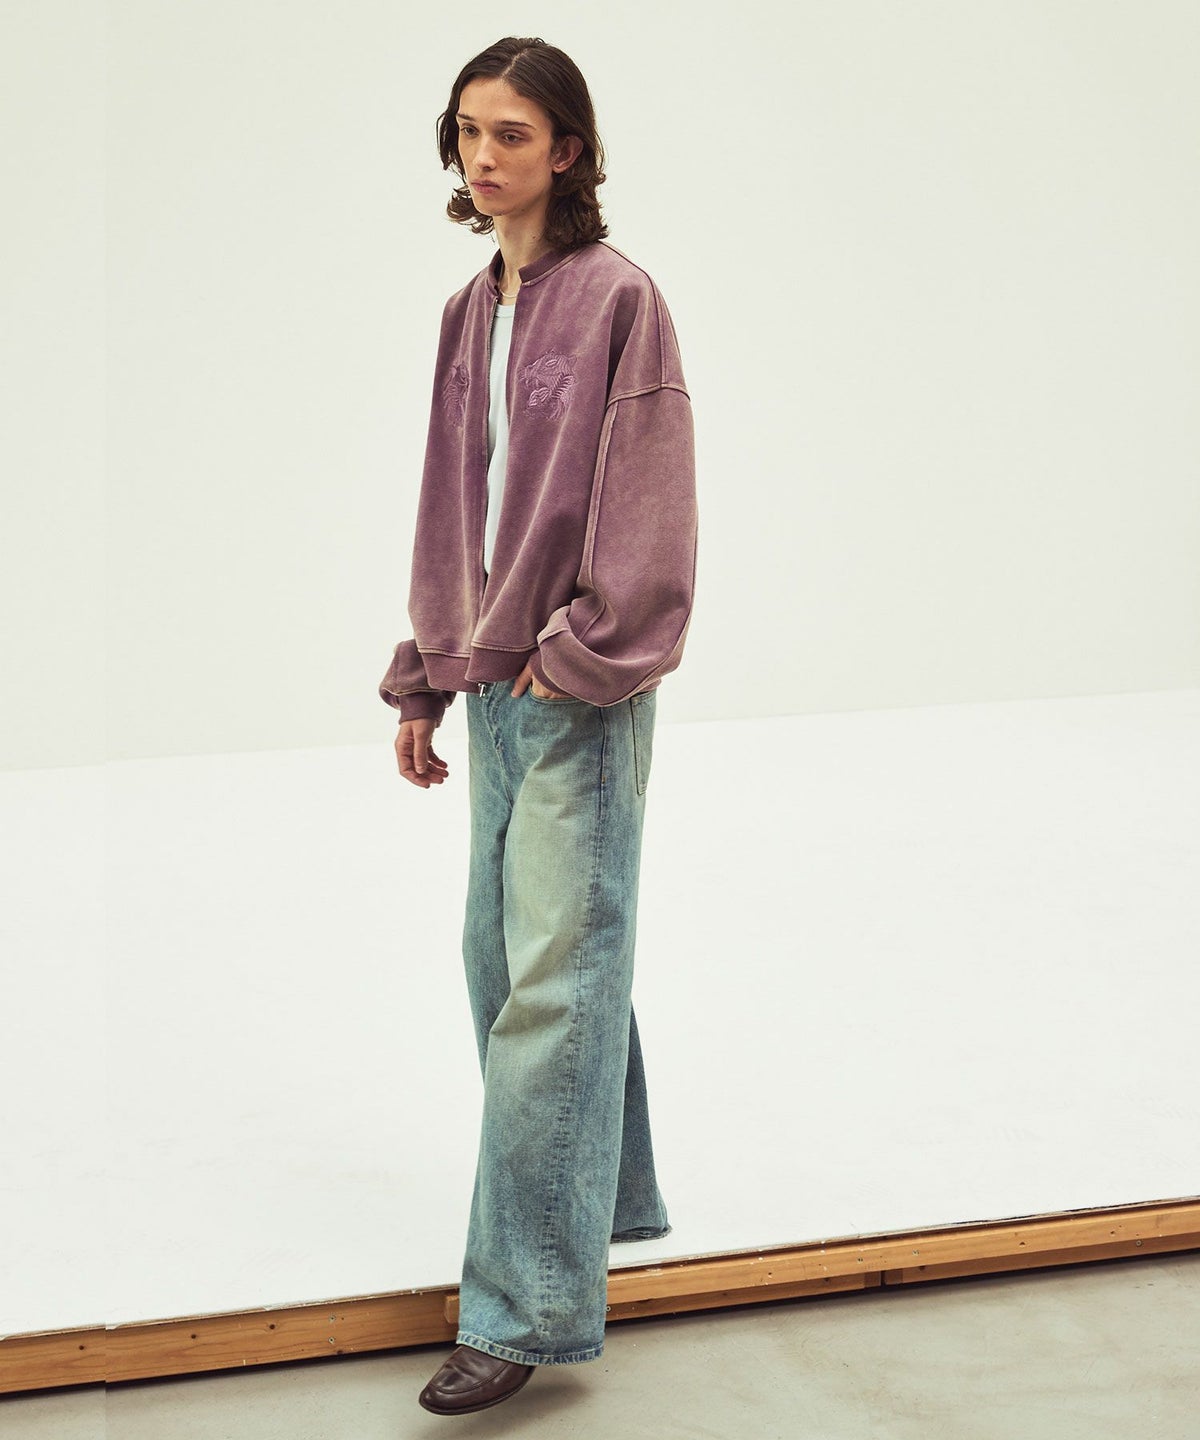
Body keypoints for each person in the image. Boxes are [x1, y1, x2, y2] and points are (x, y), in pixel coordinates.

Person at [379, 35, 698, 1417]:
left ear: (568, 150)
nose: (485, 154)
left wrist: (587, 654)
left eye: (513, 132)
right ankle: (595, 1209)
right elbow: (454, 496)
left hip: (575, 687)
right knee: (515, 968)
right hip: (493, 682)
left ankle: (522, 1309)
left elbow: (650, 492)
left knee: (555, 985)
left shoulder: (620, 297)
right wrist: (426, 670)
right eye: (469, 131)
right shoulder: (472, 309)